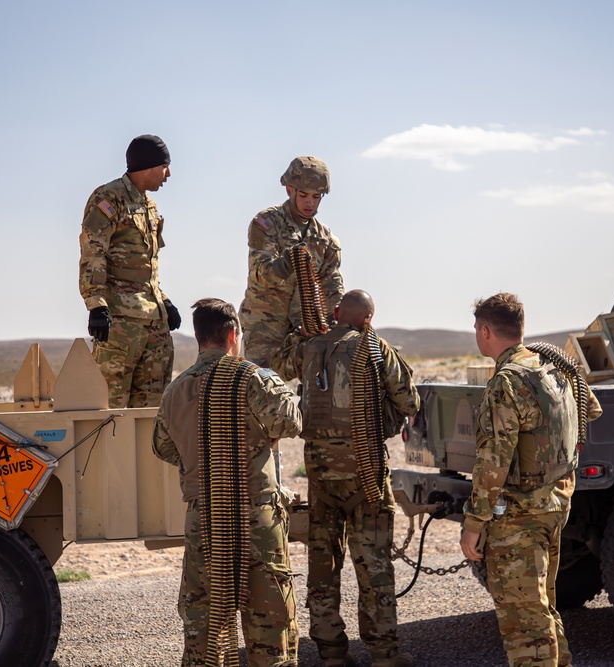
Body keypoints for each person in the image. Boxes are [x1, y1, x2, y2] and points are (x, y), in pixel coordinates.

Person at [152, 298, 300, 667]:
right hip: (255, 520)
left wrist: (201, 459)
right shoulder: (253, 378)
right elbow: (291, 422)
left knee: (205, 624)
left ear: (198, 337)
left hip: (203, 521)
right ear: (233, 334)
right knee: (270, 628)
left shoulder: (175, 390)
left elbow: (162, 446)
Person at [459, 293, 602, 667]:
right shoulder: (555, 366)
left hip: (520, 514)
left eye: (477, 329)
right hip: (556, 502)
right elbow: (591, 410)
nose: (477, 335)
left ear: (486, 331)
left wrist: (473, 524)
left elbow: (493, 463)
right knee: (541, 605)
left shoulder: (506, 382)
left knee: (524, 622)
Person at [278, 290, 420, 667]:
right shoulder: (375, 348)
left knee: (323, 566)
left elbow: (278, 365)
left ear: (337, 312)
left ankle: (331, 654)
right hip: (366, 476)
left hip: (321, 477)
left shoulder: (308, 347)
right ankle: (384, 653)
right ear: (369, 318)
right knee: (374, 566)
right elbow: (410, 402)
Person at [78, 134, 182, 408]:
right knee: (109, 410)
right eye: (165, 166)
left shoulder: (149, 206)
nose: (168, 174)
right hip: (121, 325)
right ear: (148, 166)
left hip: (153, 323)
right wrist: (96, 304)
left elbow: (148, 264)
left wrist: (164, 300)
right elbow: (93, 250)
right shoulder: (110, 197)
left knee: (152, 411)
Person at [239, 156, 345, 372]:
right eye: (304, 195)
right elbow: (261, 272)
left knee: (317, 388)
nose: (310, 203)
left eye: (316, 197)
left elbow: (332, 285)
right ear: (289, 190)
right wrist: (287, 262)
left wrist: (343, 317)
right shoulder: (267, 223)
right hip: (265, 325)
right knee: (261, 387)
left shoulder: (326, 239)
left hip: (306, 329)